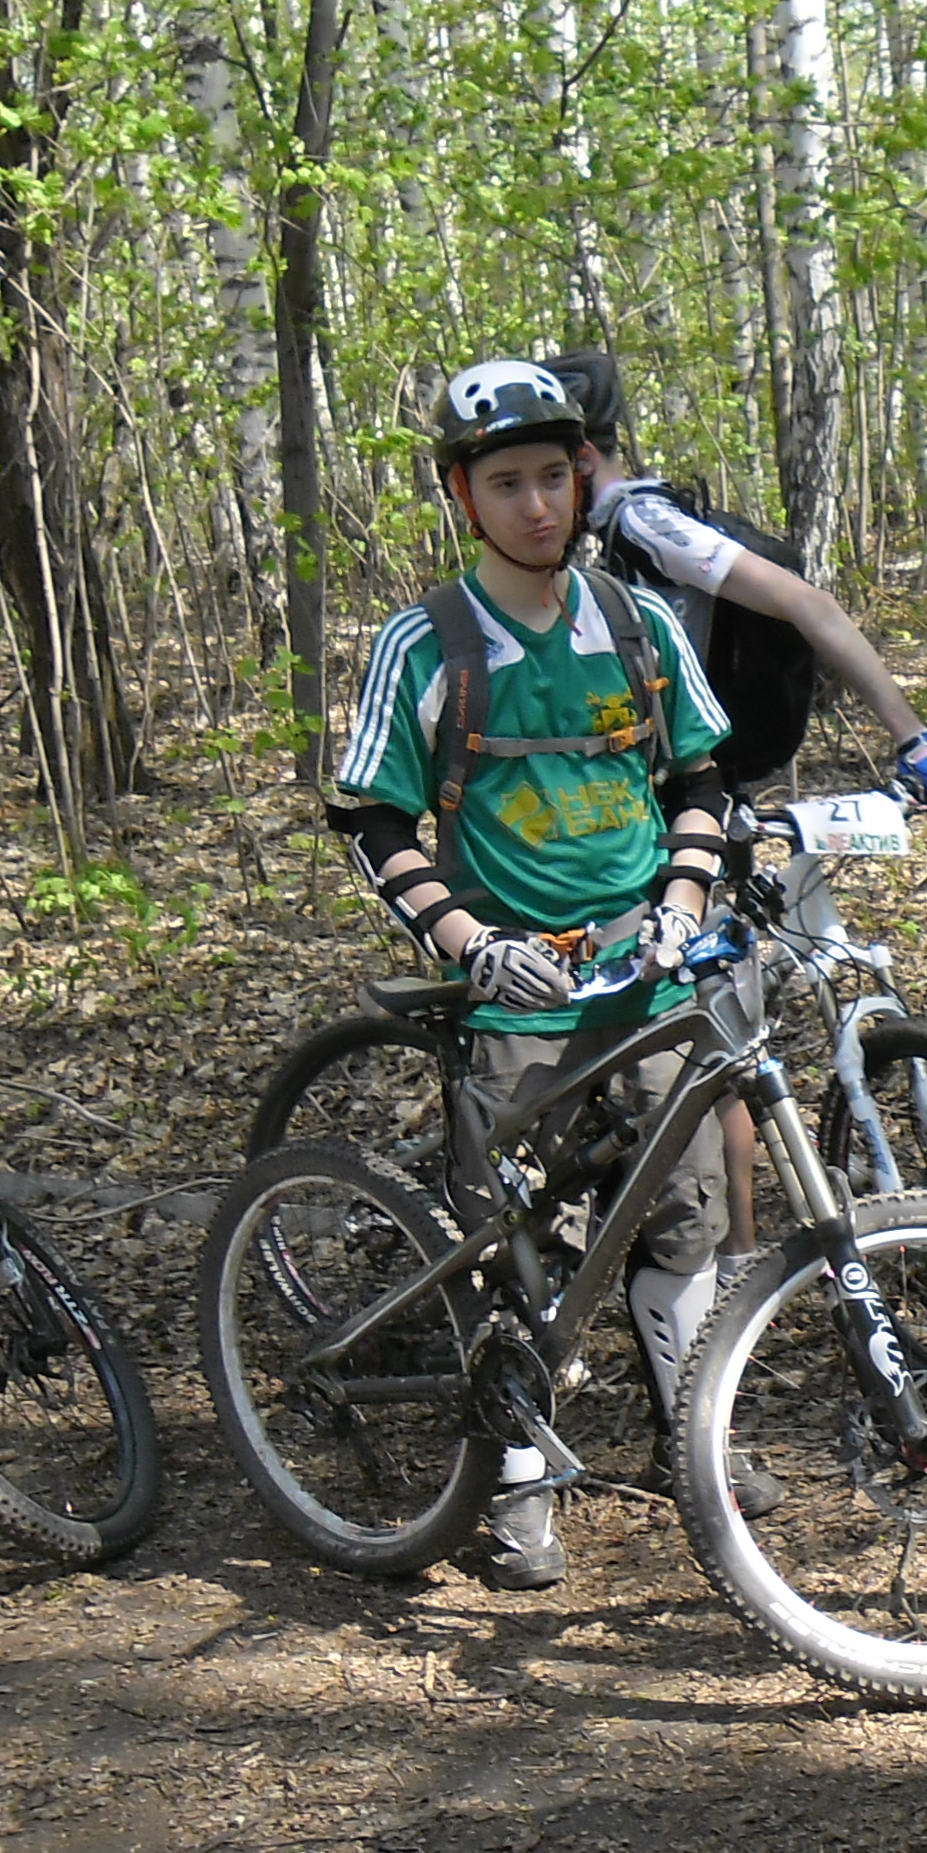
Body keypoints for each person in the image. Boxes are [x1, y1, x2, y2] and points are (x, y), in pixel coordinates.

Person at [326, 358, 742, 1589]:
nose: (537, 505)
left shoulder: (636, 622)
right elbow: (373, 821)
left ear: (584, 477)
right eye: (505, 483)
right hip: (517, 988)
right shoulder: (424, 646)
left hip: (648, 978)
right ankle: (519, 1473)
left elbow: (699, 779)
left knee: (688, 1214)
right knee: (522, 1235)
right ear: (462, 496)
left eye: (554, 477)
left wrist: (682, 904)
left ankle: (696, 1443)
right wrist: (470, 944)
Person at [538, 349, 927, 809]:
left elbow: (809, 603)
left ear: (583, 460)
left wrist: (913, 739)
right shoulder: (620, 527)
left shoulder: (645, 522)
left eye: (550, 474)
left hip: (700, 765)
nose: (539, 498)